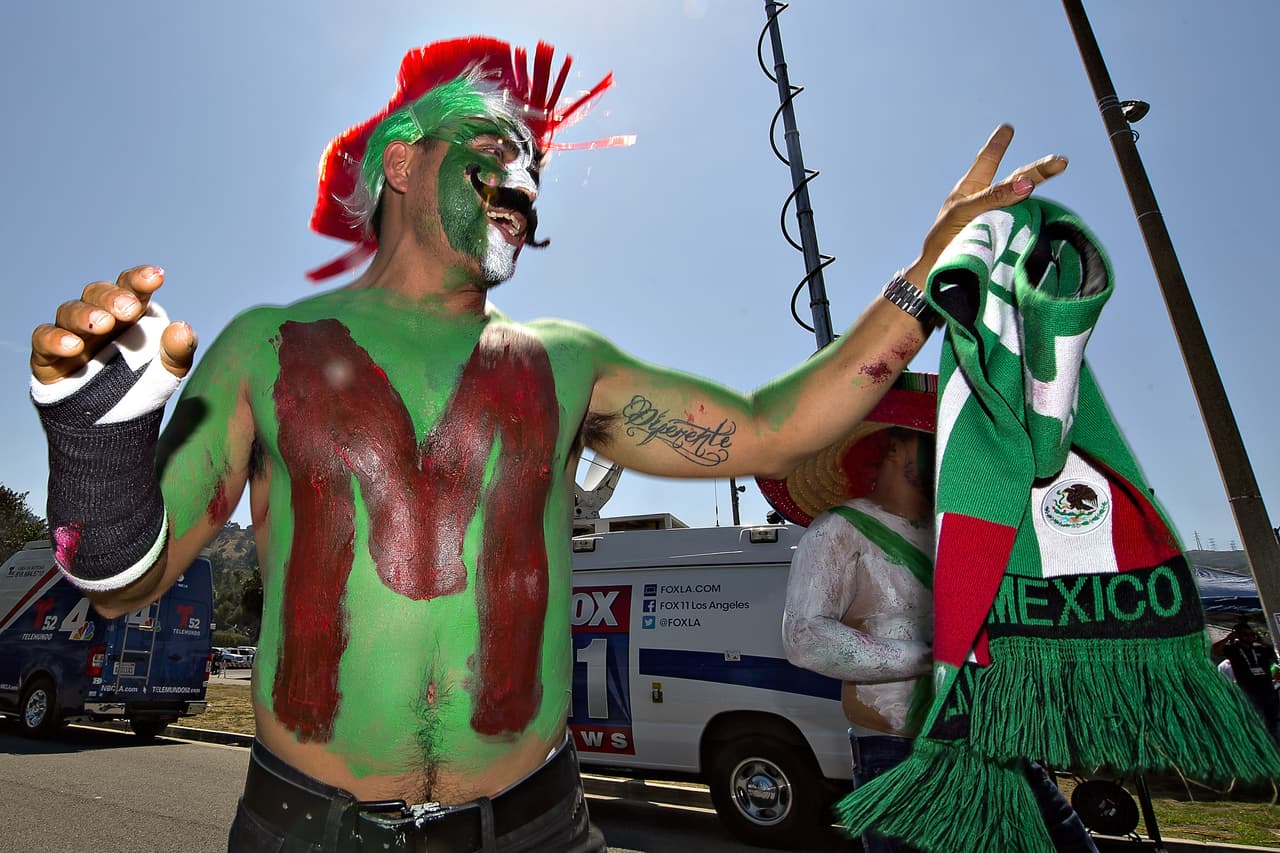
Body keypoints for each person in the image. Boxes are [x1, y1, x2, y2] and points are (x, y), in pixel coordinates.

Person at [27, 36, 1065, 853]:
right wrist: (95, 455)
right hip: (308, 832)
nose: (521, 175)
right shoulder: (268, 349)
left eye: (533, 166)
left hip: (537, 826)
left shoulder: (565, 366)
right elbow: (122, 582)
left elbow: (774, 427)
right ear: (399, 161)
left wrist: (923, 282)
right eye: (488, 145)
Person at [777, 379, 1096, 853]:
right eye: (928, 437)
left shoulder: (959, 531)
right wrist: (932, 655)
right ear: (891, 446)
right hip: (900, 755)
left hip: (995, 746)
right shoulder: (839, 530)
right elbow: (804, 637)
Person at [1212, 619, 1280, 741]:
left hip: (1267, 691)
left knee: (1273, 721)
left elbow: (1275, 648)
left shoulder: (1260, 649)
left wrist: (1260, 639)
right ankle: (1259, 745)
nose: (1249, 637)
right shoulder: (1233, 650)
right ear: (1238, 635)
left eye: (1251, 634)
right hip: (1249, 692)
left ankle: (1275, 745)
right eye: (1245, 634)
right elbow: (1215, 650)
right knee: (1256, 720)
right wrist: (1228, 638)